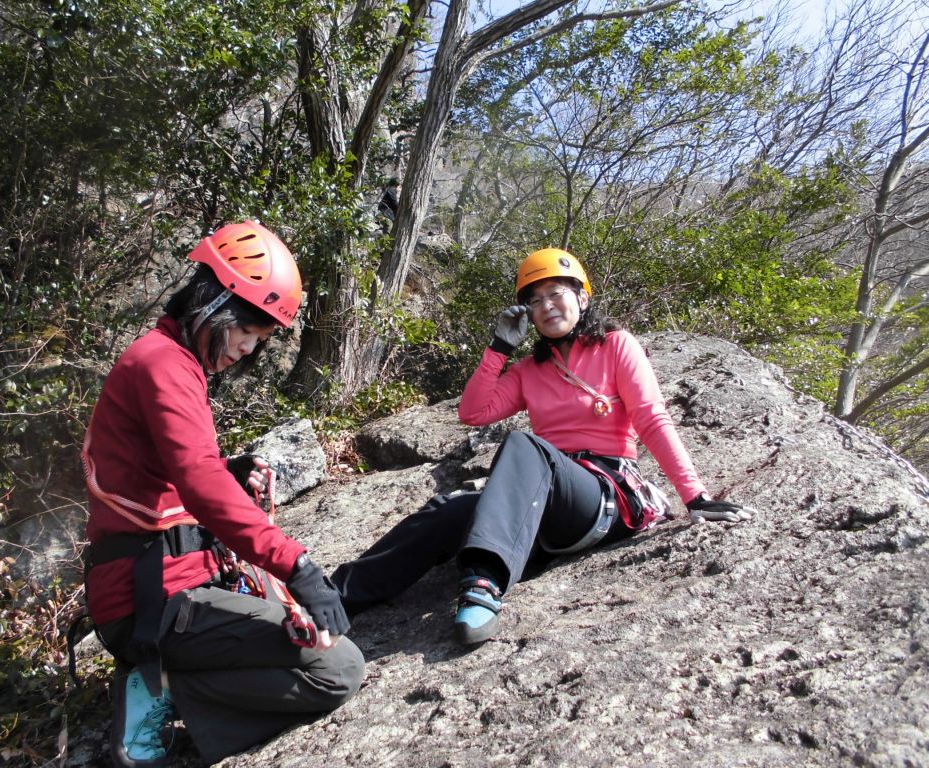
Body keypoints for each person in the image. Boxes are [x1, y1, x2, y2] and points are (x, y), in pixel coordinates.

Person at [331, 247, 751, 645]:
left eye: (556, 294)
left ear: (582, 299)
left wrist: (694, 495)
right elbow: (473, 413)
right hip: (543, 502)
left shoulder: (615, 346)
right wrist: (498, 348)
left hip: (604, 495)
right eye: (535, 300)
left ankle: (483, 582)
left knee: (524, 445)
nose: (546, 305)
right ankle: (335, 597)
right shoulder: (530, 370)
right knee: (447, 511)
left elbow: (651, 417)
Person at [81, 221, 365, 767]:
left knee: (308, 643)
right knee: (337, 668)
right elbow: (198, 480)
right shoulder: (163, 362)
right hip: (153, 600)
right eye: (249, 331)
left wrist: (227, 472)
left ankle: (162, 673)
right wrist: (297, 566)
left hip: (167, 587)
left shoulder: (169, 360)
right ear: (216, 303)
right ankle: (159, 686)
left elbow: (178, 473)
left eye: (261, 340)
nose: (248, 349)